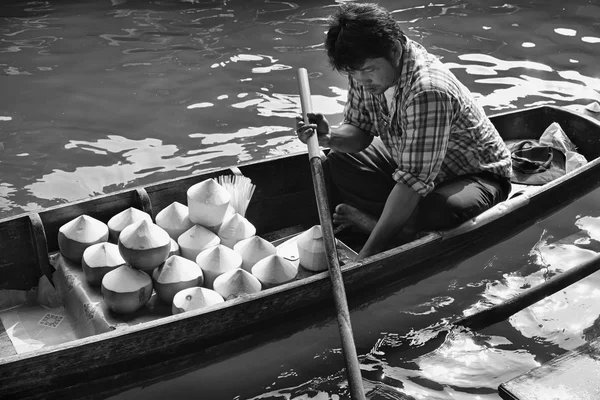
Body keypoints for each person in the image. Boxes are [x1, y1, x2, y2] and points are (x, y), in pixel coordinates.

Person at [296, 3, 512, 260]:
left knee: (440, 211)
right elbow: (359, 131)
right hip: (412, 164)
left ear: (396, 50)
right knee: (340, 157)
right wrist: (329, 138)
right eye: (353, 73)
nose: (361, 80)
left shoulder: (428, 91)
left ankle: (379, 227)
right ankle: (397, 227)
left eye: (367, 70)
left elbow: (412, 183)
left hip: (473, 176)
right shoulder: (363, 70)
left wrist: (365, 258)